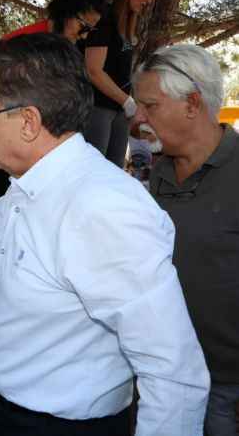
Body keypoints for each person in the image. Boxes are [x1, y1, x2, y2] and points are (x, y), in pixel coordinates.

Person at [0, 33, 209, 436]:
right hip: (15, 411)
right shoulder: (34, 186)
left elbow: (174, 374)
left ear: (27, 121)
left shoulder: (102, 209)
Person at [132, 44, 239, 436]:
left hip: (224, 388)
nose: (139, 118)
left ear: (192, 104)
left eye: (150, 106)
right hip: (160, 373)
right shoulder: (155, 176)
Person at [0, 0, 106, 209]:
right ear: (67, 12)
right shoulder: (35, 41)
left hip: (3, 108)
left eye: (90, 31)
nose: (84, 36)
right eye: (83, 27)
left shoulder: (55, 43)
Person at [84, 0, 155, 167]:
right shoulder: (105, 19)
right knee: (94, 170)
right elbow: (93, 70)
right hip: (98, 108)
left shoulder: (128, 23)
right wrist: (127, 102)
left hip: (120, 112)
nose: (149, 0)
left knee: (115, 170)